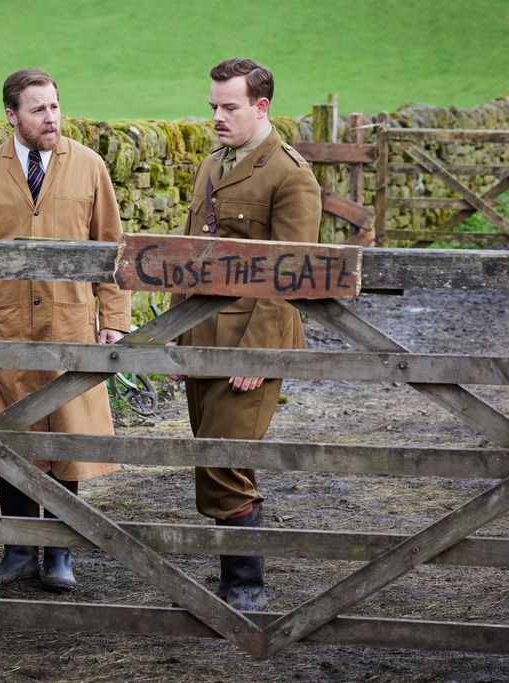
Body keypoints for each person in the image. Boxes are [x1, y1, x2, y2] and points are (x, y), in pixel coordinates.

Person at [0, 68, 132, 593]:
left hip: (68, 326)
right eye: (38, 109)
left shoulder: (90, 168)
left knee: (66, 435)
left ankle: (60, 553)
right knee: (12, 441)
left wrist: (114, 319)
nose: (51, 118)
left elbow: (112, 250)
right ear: (11, 115)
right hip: (3, 331)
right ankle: (18, 550)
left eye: (55, 106)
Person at [169, 57, 321, 611]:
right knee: (207, 454)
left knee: (223, 460)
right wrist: (171, 332)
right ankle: (229, 575)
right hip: (199, 338)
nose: (216, 116)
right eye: (213, 106)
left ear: (261, 107)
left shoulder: (290, 174)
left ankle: (244, 586)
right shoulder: (211, 166)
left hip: (252, 343)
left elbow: (291, 274)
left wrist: (258, 351)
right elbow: (186, 257)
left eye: (228, 106)